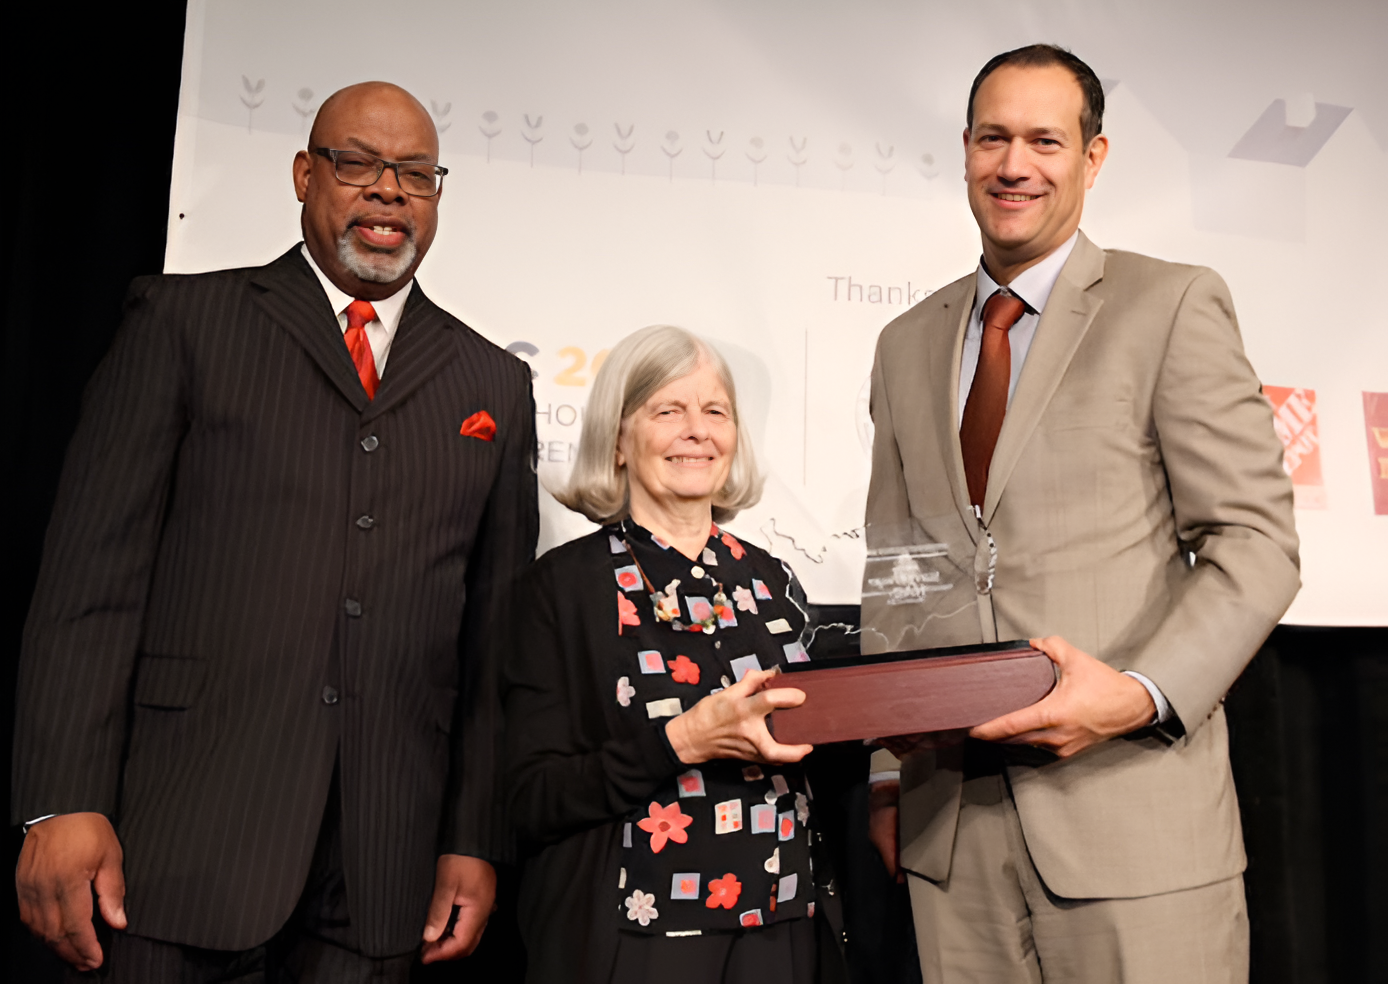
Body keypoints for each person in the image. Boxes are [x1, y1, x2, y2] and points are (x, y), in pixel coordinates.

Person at [12, 81, 538, 982]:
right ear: (304, 174)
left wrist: (473, 836)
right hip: (174, 850)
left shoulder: (492, 381)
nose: (388, 190)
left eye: (415, 173)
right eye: (357, 163)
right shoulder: (183, 323)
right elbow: (89, 584)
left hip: (379, 874)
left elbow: (491, 644)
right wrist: (59, 801)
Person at [862, 45, 1299, 982]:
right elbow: (899, 567)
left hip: (1133, 821)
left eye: (1045, 141)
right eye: (993, 138)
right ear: (966, 149)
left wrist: (1138, 695)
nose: (1014, 164)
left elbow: (1256, 542)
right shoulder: (904, 343)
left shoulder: (1170, 304)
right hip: (951, 838)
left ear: (1093, 158)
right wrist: (888, 768)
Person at [504, 325, 844, 984]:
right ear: (617, 440)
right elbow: (528, 797)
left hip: (781, 925)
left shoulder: (771, 579)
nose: (697, 431)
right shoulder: (561, 588)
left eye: (716, 411)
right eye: (668, 410)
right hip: (638, 938)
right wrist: (679, 741)